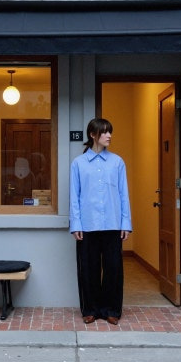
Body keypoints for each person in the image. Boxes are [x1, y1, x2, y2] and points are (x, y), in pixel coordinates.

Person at [69, 117, 132, 325]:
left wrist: (125, 223)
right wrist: (76, 224)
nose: (109, 136)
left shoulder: (117, 162)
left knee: (114, 269)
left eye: (109, 132)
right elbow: (74, 197)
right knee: (88, 269)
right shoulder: (78, 164)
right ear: (92, 134)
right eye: (104, 132)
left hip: (113, 224)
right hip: (87, 226)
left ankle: (111, 310)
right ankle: (90, 309)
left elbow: (123, 195)